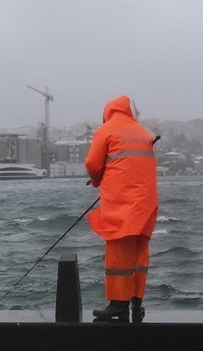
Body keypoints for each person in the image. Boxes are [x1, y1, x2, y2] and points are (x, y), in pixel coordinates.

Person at [85, 95, 158, 323]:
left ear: (108, 112)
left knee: (118, 253)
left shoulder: (107, 130)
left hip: (121, 203)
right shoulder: (144, 132)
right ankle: (136, 304)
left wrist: (97, 181)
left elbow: (92, 164)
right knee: (139, 252)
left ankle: (118, 305)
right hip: (146, 203)